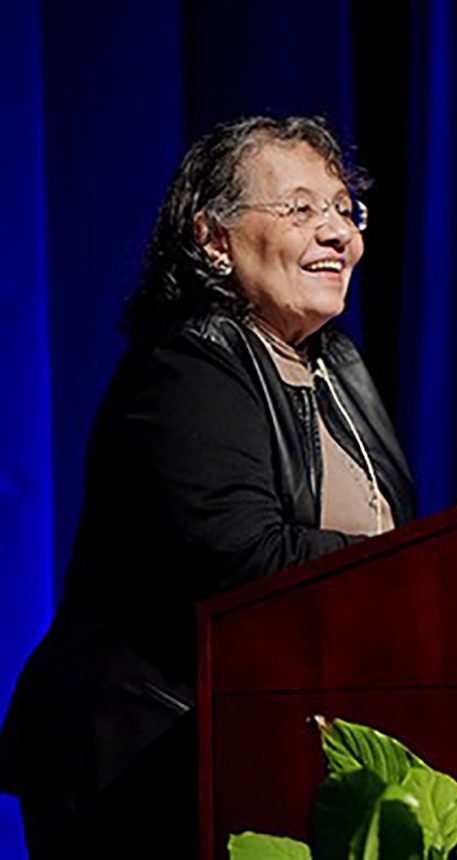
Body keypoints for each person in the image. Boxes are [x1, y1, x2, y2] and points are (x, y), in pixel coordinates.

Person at [0, 116, 414, 858]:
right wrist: (408, 572)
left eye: (343, 209)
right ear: (214, 239)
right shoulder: (190, 361)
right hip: (148, 765)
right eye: (300, 209)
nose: (337, 233)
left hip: (277, 741)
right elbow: (244, 560)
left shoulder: (336, 364)